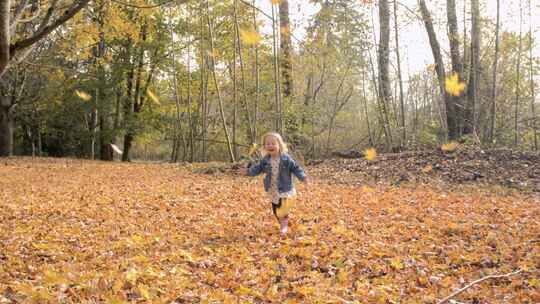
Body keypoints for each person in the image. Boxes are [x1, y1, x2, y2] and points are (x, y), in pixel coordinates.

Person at [245, 132, 308, 236]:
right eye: (267, 144)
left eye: (273, 143)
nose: (270, 146)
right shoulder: (265, 160)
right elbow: (257, 169)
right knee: (275, 210)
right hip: (272, 189)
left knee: (282, 209)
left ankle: (284, 226)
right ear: (264, 147)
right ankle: (283, 222)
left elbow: (296, 168)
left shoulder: (286, 159)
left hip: (284, 188)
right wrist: (247, 172)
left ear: (279, 145)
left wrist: (303, 177)